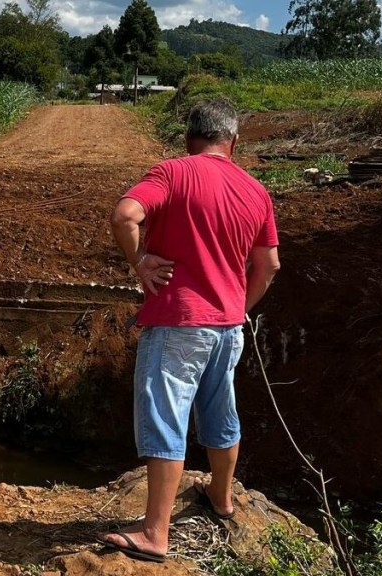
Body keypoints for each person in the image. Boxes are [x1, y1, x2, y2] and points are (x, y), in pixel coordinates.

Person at [99, 99, 280, 563]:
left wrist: (139, 262)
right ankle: (221, 499)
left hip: (179, 321)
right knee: (221, 410)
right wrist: (238, 306)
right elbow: (269, 266)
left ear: (188, 138)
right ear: (233, 142)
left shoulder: (172, 172)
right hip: (228, 326)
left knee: (166, 415)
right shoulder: (256, 190)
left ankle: (155, 533)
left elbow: (124, 215)